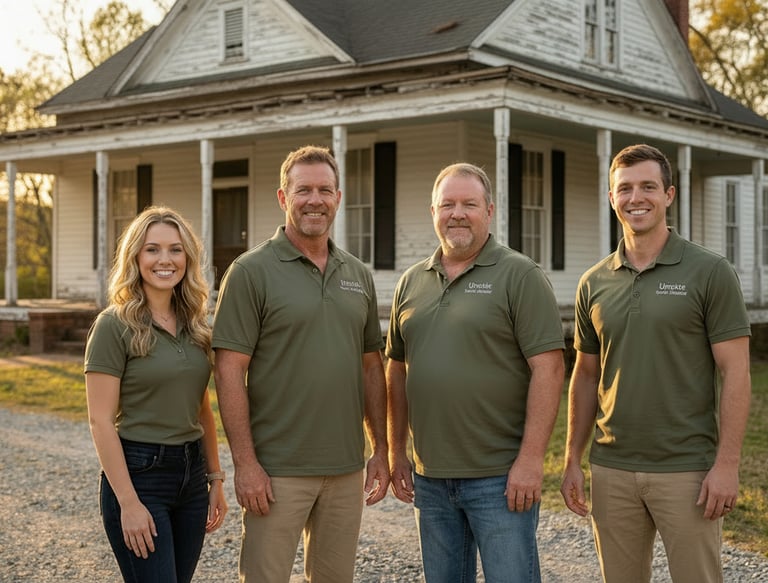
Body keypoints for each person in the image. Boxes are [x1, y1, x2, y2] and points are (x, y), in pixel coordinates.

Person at [560, 144, 752, 583]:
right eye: (625, 188)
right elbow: (585, 376)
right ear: (612, 197)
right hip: (611, 468)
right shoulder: (593, 282)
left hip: (687, 469)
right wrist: (572, 458)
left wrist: (727, 465)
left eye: (648, 186)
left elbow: (736, 373)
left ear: (668, 194)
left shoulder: (710, 272)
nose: (636, 198)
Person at [212, 145, 389, 583]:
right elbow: (229, 371)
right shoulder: (250, 271)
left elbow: (371, 367)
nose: (315, 200)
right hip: (276, 469)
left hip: (345, 468)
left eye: (325, 190)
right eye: (303, 190)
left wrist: (381, 450)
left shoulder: (358, 274)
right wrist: (246, 464)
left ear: (338, 198)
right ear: (283, 197)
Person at [386, 162, 565, 583]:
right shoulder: (411, 282)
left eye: (469, 204)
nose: (457, 214)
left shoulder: (520, 275)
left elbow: (550, 368)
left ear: (489, 210)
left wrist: (531, 461)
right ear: (433, 211)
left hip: (500, 478)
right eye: (447, 204)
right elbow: (396, 368)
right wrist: (395, 451)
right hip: (431, 480)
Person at [84, 206, 228, 583]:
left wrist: (215, 479)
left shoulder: (196, 326)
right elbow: (100, 421)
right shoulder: (113, 325)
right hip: (140, 476)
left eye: (175, 250)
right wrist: (128, 504)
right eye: (152, 249)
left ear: (188, 258)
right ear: (135, 257)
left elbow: (201, 409)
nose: (165, 259)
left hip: (191, 478)